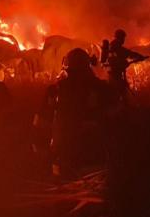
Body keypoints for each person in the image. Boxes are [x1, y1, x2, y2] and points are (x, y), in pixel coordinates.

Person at [47, 48, 110, 177]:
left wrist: (42, 154)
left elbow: (43, 122)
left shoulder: (56, 90)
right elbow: (116, 120)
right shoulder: (102, 89)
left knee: (64, 185)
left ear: (67, 66)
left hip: (65, 157)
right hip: (94, 158)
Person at [101, 29, 147, 103]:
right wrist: (140, 57)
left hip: (111, 75)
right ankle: (125, 107)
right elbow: (129, 53)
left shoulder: (111, 47)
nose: (124, 40)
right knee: (122, 94)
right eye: (123, 38)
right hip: (116, 76)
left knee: (116, 94)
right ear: (120, 37)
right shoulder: (117, 47)